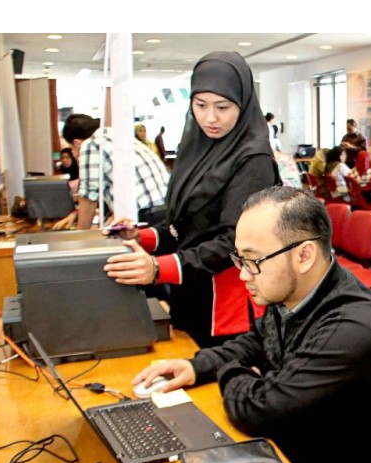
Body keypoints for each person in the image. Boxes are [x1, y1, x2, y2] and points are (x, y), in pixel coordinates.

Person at [132, 186, 371, 463]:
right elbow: (255, 343)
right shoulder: (296, 293)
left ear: (304, 255)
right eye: (240, 260)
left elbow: (258, 409)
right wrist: (195, 365)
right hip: (292, 445)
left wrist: (230, 372)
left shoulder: (353, 325)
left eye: (253, 261)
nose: (243, 274)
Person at [104, 51, 281, 349]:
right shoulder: (198, 149)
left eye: (222, 107)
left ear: (243, 103)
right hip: (191, 287)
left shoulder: (253, 159)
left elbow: (233, 242)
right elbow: (184, 227)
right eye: (200, 105)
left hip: (227, 303)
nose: (210, 118)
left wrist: (158, 269)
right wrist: (140, 235)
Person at [54, 114, 169, 230]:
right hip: (167, 212)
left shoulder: (90, 144)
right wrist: (76, 213)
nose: (73, 154)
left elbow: (89, 197)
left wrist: (79, 238)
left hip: (147, 217)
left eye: (71, 148)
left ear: (77, 143)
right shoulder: (117, 136)